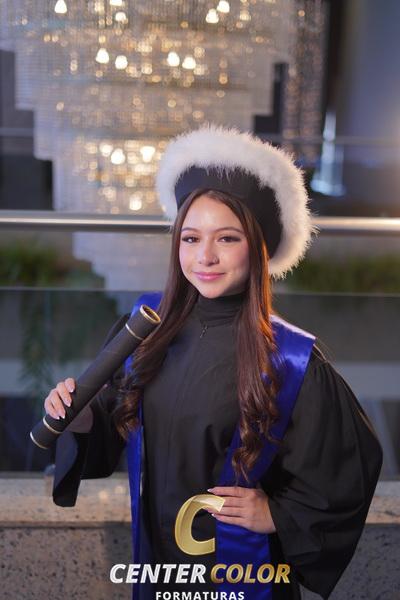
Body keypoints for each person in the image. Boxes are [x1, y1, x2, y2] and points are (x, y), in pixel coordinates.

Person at [45, 124, 383, 600]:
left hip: (243, 573)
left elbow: (346, 470)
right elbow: (116, 424)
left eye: (227, 238)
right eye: (190, 238)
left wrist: (278, 514)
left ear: (258, 247)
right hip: (159, 562)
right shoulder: (144, 329)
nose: (204, 257)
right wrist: (82, 418)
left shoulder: (291, 359)